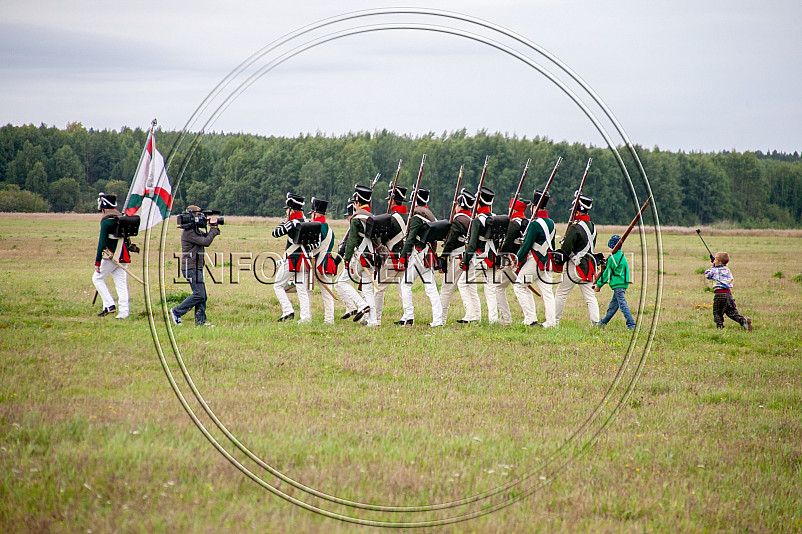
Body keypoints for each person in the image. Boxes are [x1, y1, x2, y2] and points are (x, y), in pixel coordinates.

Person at [397, 187, 443, 327]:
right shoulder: (430, 215)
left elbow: (410, 239)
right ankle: (438, 320)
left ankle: (409, 317)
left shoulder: (417, 218)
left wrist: (402, 258)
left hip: (417, 254)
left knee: (405, 284)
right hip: (427, 255)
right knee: (431, 288)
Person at [553, 192, 600, 325]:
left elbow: (566, 250)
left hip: (575, 265)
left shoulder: (575, 227)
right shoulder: (592, 226)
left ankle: (554, 322)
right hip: (588, 266)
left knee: (561, 293)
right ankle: (595, 322)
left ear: (578, 210)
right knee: (590, 297)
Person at [171, 204, 221, 327]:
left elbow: (205, 237)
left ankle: (200, 322)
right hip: (191, 268)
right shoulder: (188, 233)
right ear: (191, 216)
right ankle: (176, 311)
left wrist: (213, 228)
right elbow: (206, 242)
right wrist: (213, 230)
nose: (202, 218)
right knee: (199, 294)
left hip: (196, 266)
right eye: (199, 215)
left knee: (202, 296)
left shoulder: (195, 231)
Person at [513, 189, 557, 327]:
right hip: (547, 261)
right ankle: (551, 322)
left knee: (519, 285)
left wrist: (517, 260)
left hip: (537, 261)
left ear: (534, 207)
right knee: (548, 293)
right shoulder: (551, 223)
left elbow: (526, 246)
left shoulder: (534, 224)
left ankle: (530, 318)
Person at [337, 184, 377, 326]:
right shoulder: (372, 217)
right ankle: (373, 321)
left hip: (359, 257)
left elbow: (352, 240)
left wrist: (346, 259)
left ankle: (361, 305)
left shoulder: (356, 218)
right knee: (367, 289)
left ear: (358, 202)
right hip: (371, 256)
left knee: (341, 282)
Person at [439, 188, 481, 324]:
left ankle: (440, 319)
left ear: (460, 205)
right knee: (471, 288)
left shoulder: (458, 221)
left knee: (446, 288)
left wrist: (443, 257)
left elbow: (451, 242)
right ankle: (476, 315)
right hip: (467, 256)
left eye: (457, 204)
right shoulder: (470, 219)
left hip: (458, 257)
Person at [489, 197, 530, 325]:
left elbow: (507, 243)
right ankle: (530, 317)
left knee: (497, 288)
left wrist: (499, 257)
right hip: (521, 260)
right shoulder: (526, 222)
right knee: (522, 288)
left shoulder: (514, 223)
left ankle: (506, 319)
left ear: (514, 209)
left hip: (510, 260)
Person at [271, 193, 311, 323]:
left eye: (287, 210)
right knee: (302, 290)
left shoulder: (292, 223)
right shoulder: (307, 222)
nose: (286, 212)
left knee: (278, 285)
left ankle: (288, 310)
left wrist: (283, 223)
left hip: (293, 259)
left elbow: (275, 233)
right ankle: (306, 318)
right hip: (305, 259)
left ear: (292, 210)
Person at [373, 183, 409, 325]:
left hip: (391, 259)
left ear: (393, 200)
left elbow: (382, 240)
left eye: (389, 199)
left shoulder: (391, 218)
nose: (388, 201)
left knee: (379, 289)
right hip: (404, 258)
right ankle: (407, 316)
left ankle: (376, 319)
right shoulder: (409, 216)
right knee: (403, 290)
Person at [460, 187, 497, 323]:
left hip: (480, 258)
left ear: (479, 203)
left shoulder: (477, 220)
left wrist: (464, 261)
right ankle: (493, 319)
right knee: (490, 289)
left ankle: (471, 315)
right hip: (492, 258)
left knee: (462, 283)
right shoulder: (493, 218)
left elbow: (472, 245)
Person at [92, 193, 130, 319]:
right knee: (121, 284)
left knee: (97, 278)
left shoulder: (106, 221)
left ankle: (110, 305)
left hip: (111, 256)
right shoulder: (122, 218)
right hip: (123, 255)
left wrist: (97, 261)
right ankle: (123, 312)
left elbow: (102, 242)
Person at [594, 234, 636, 330]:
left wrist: (598, 285)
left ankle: (631, 324)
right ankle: (603, 322)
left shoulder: (613, 258)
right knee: (613, 306)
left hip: (618, 284)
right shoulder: (620, 255)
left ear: (612, 246)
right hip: (623, 283)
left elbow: (606, 274)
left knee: (622, 305)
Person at [704, 251, 752, 331]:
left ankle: (720, 327)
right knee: (731, 312)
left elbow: (708, 275)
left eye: (715, 260)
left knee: (717, 312)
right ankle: (743, 322)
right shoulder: (727, 270)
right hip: (728, 294)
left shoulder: (715, 271)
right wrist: (716, 265)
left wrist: (712, 266)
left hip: (719, 294)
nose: (714, 261)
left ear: (720, 262)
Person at [308, 197, 337, 325]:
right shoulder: (330, 230)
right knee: (327, 295)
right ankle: (329, 320)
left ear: (315, 213)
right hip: (327, 264)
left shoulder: (315, 227)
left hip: (316, 264)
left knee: (305, 291)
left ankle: (306, 317)